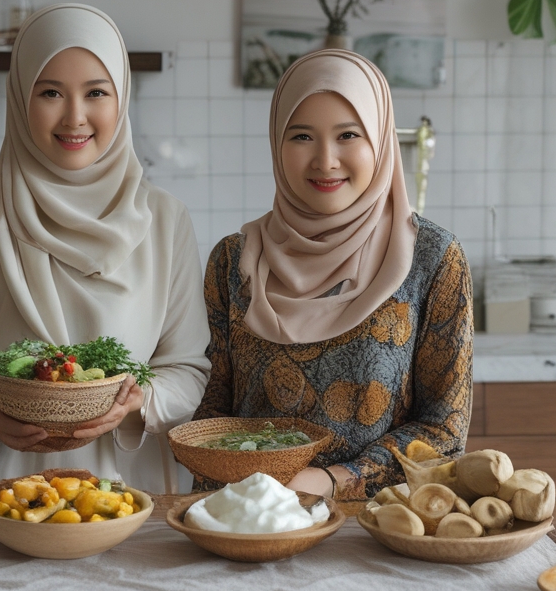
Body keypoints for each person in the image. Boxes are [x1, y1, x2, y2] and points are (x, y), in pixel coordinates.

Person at [0, 4, 210, 492]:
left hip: (131, 486)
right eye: (50, 93)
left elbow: (188, 366)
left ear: (121, 98)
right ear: (20, 97)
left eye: (96, 93)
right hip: (1, 482)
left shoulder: (165, 219)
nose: (75, 117)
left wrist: (140, 402)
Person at [193, 49, 472, 500]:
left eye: (347, 135)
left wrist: (331, 482)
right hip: (242, 521)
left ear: (380, 141)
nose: (325, 160)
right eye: (301, 136)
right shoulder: (233, 261)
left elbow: (444, 429)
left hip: (377, 529)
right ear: (276, 143)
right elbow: (211, 407)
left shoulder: (433, 259)